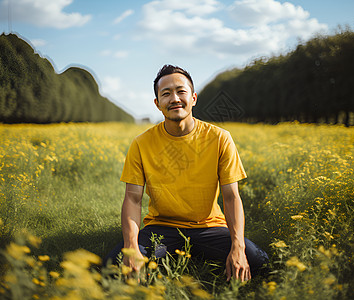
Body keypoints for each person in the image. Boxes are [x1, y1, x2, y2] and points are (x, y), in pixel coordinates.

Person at [104, 64, 268, 281]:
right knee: (115, 265)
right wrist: (132, 246)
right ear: (157, 103)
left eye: (181, 91)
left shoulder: (220, 138)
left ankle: (198, 255)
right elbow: (132, 199)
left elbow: (231, 197)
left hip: (210, 228)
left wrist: (237, 246)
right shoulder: (141, 144)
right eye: (166, 94)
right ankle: (172, 255)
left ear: (193, 98)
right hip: (162, 231)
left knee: (258, 261)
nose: (174, 98)